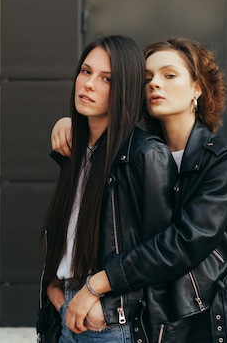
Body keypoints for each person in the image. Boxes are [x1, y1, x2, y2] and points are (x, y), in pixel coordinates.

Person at [51, 38, 227, 342]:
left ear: (197, 88)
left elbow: (183, 241)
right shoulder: (141, 153)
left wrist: (99, 284)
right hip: (164, 311)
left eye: (169, 75)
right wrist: (71, 124)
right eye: (147, 78)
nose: (154, 85)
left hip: (217, 313)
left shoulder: (221, 159)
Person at [38, 35, 178, 343]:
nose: (88, 84)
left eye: (106, 79)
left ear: (125, 90)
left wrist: (109, 305)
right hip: (68, 309)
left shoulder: (146, 155)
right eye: (86, 71)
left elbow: (163, 251)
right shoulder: (76, 149)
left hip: (108, 322)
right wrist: (55, 287)